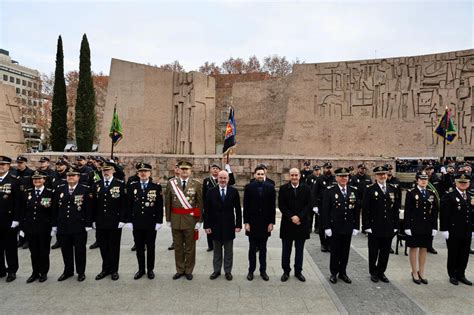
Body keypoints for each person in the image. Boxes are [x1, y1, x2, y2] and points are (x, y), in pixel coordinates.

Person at [52, 167, 93, 282]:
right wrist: (54, 224)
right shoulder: (60, 189)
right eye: (69, 176)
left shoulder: (84, 189)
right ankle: (68, 271)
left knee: (80, 251)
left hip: (78, 226)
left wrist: (88, 224)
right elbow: (55, 207)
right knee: (66, 250)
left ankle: (81, 272)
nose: (70, 177)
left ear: (78, 177)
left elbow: (89, 209)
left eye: (73, 175)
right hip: (63, 225)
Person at [321, 167, 361, 284]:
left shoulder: (353, 190)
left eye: (346, 176)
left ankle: (343, 272)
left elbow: (356, 210)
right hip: (335, 227)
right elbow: (325, 210)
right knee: (335, 251)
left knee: (345, 251)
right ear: (337, 178)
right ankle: (334, 273)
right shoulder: (330, 191)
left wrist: (356, 226)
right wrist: (326, 227)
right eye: (341, 176)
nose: (344, 178)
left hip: (348, 226)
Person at [362, 166, 401, 283]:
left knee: (385, 251)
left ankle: (381, 272)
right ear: (375, 176)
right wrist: (366, 226)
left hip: (388, 226)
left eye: (384, 174)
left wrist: (396, 225)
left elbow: (396, 209)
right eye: (379, 174)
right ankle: (373, 272)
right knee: (373, 251)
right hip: (374, 226)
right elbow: (365, 209)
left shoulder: (393, 189)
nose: (382, 176)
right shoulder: (369, 189)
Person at [165, 161, 203, 280]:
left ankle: (189, 270)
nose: (184, 171)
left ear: (191, 171)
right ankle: (180, 269)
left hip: (190, 220)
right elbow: (167, 202)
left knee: (190, 247)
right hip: (176, 219)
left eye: (187, 169)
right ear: (178, 170)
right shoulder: (171, 183)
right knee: (178, 247)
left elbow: (200, 203)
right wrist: (168, 219)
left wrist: (199, 220)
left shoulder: (196, 184)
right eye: (182, 169)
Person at [92, 161, 127, 281]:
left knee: (114, 247)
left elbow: (123, 204)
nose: (105, 172)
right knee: (103, 246)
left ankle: (114, 270)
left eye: (108, 170)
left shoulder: (120, 184)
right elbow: (93, 205)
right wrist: (93, 220)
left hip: (114, 221)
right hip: (100, 221)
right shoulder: (97, 184)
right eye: (103, 170)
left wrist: (122, 219)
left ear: (113, 171)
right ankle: (105, 269)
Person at [128, 162, 163, 280]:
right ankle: (141, 269)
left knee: (151, 247)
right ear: (138, 174)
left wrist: (159, 221)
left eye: (145, 171)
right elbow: (129, 205)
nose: (143, 173)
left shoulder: (156, 187)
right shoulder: (132, 186)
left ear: (150, 173)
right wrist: (129, 221)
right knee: (139, 248)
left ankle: (150, 269)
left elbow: (159, 206)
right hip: (137, 223)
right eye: (141, 171)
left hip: (150, 223)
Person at [204, 170, 242, 281]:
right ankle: (216, 271)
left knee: (228, 251)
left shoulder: (233, 192)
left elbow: (238, 210)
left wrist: (238, 224)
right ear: (217, 179)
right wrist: (207, 226)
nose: (223, 180)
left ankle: (228, 271)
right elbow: (206, 210)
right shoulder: (211, 192)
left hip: (229, 226)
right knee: (216, 251)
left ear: (228, 179)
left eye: (225, 178)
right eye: (221, 178)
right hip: (214, 226)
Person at [403, 171, 439, 285]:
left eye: (426, 179)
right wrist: (407, 226)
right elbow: (407, 211)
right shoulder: (411, 192)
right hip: (414, 225)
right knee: (414, 248)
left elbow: (435, 211)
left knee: (424, 248)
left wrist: (435, 226)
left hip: (427, 225)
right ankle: (414, 272)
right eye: (421, 179)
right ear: (417, 180)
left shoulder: (431, 193)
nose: (424, 181)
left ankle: (421, 272)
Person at [278, 168, 311, 282]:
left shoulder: (306, 189)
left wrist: (299, 217)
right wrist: (292, 217)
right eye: (292, 175)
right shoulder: (283, 189)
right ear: (289, 176)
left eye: (296, 175)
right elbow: (282, 205)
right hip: (288, 224)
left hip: (301, 224)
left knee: (299, 250)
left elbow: (308, 205)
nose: (294, 177)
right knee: (286, 250)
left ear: (300, 176)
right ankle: (286, 271)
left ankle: (298, 272)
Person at [243, 166, 276, 281]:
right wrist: (246, 222)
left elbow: (272, 207)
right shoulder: (249, 187)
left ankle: (263, 271)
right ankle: (251, 271)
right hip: (252, 223)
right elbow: (245, 206)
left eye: (262, 174)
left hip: (265, 224)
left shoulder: (271, 188)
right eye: (258, 174)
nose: (260, 176)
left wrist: (272, 223)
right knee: (252, 249)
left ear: (265, 174)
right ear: (254, 175)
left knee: (263, 249)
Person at [440, 173, 473, 286]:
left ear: (469, 184)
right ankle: (452, 275)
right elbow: (444, 214)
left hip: (466, 231)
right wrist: (444, 229)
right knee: (454, 253)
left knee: (464, 254)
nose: (463, 184)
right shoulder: (449, 196)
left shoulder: (469, 196)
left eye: (465, 182)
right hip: (453, 230)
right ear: (456, 183)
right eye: (461, 182)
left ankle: (461, 274)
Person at [22, 170, 54, 283]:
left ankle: (43, 272)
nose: (37, 181)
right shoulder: (28, 192)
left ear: (44, 180)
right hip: (30, 227)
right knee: (33, 252)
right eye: (35, 179)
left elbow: (53, 211)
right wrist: (22, 227)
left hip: (44, 227)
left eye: (39, 179)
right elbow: (23, 210)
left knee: (44, 251)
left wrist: (53, 227)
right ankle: (35, 272)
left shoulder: (50, 192)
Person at [0, 156, 21, 282]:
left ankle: (12, 270)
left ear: (8, 166)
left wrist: (16, 219)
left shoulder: (14, 180)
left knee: (10, 247)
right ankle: (1, 269)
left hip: (9, 220)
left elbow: (18, 202)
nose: (1, 167)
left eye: (3, 164)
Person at [312, 162, 337, 252]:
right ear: (323, 169)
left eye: (330, 168)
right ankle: (323, 243)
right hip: (321, 206)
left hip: (333, 206)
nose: (328, 169)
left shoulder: (335, 179)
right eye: (327, 168)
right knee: (322, 226)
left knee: (332, 225)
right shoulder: (319, 179)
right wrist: (315, 206)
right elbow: (314, 193)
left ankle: (330, 243)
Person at [307, 165, 321, 234]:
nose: (317, 171)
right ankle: (309, 227)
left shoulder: (322, 178)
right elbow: (307, 187)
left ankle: (317, 228)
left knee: (318, 215)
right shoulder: (310, 177)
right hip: (310, 199)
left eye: (318, 170)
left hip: (318, 200)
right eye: (315, 170)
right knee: (310, 215)